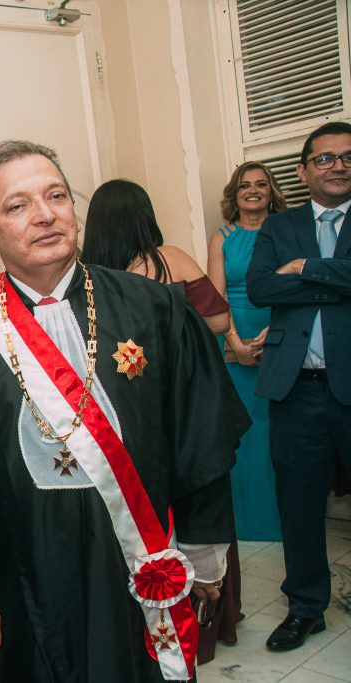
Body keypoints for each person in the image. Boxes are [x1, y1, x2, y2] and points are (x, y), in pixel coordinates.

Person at [0, 139, 248, 682]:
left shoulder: (153, 306)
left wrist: (203, 550)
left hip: (144, 558)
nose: (44, 215)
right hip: (29, 569)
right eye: (18, 205)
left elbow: (200, 433)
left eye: (56, 195)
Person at [81, 177, 243, 664]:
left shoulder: (90, 277)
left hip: (125, 426)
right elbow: (217, 319)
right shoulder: (168, 257)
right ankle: (208, 617)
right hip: (185, 405)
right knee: (197, 494)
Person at [247, 120, 351, 652]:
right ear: (305, 168)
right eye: (326, 158)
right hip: (296, 390)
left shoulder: (299, 246)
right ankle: (307, 608)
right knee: (300, 506)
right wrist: (339, 278)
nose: (337, 166)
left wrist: (308, 268)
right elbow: (262, 287)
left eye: (347, 158)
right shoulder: (278, 225)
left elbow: (289, 281)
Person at [208, 162, 287, 542]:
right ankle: (248, 523)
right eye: (244, 186)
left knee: (280, 430)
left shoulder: (285, 231)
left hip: (285, 334)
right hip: (233, 338)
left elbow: (294, 286)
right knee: (244, 431)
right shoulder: (221, 237)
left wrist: (276, 333)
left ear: (272, 191)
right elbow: (216, 295)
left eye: (261, 184)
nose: (253, 191)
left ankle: (282, 520)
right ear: (234, 194)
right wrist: (234, 342)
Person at [80, 178, 230, 335]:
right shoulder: (170, 259)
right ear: (145, 220)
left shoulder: (85, 278)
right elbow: (219, 321)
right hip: (168, 359)